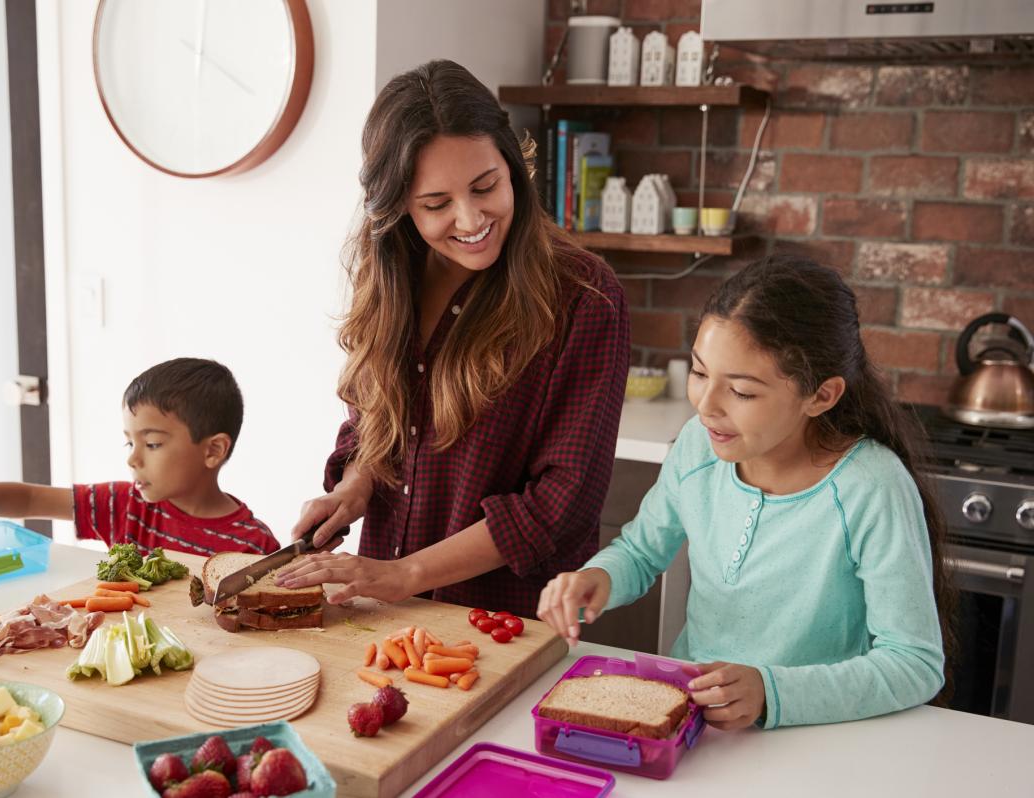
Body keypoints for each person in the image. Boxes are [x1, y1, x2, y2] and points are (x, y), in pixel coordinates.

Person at [274, 59, 630, 619]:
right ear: (398, 207)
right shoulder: (392, 278)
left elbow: (562, 502)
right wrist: (354, 487)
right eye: (436, 205)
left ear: (512, 166)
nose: (470, 219)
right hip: (383, 614)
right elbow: (375, 421)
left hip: (505, 624)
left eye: (485, 186)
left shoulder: (584, 296)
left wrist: (406, 573)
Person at [537, 256, 955, 731]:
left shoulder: (870, 488)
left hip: (819, 736)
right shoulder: (698, 445)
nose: (706, 405)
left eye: (741, 391)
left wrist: (770, 694)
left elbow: (914, 664)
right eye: (699, 372)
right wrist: (599, 578)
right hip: (696, 723)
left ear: (821, 395)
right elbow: (640, 550)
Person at [0, 357, 279, 557]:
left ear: (213, 450)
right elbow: (29, 499)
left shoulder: (252, 546)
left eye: (152, 444)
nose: (133, 460)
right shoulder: (125, 506)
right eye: (130, 443)